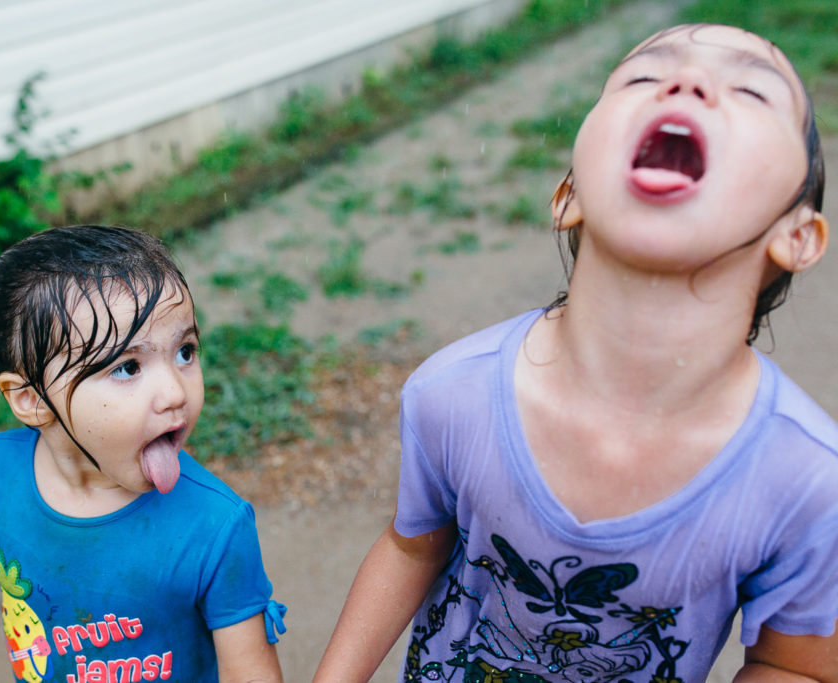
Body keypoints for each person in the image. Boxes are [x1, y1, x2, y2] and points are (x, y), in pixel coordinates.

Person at [314, 24, 838, 683]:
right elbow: (409, 549)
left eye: (751, 91)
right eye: (645, 77)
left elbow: (797, 664)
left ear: (799, 235)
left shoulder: (808, 483)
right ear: (569, 195)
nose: (687, 82)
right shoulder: (452, 394)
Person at [0, 225, 286, 682]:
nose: (174, 392)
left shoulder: (214, 525)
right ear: (31, 400)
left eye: (185, 351)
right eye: (128, 367)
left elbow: (249, 671)